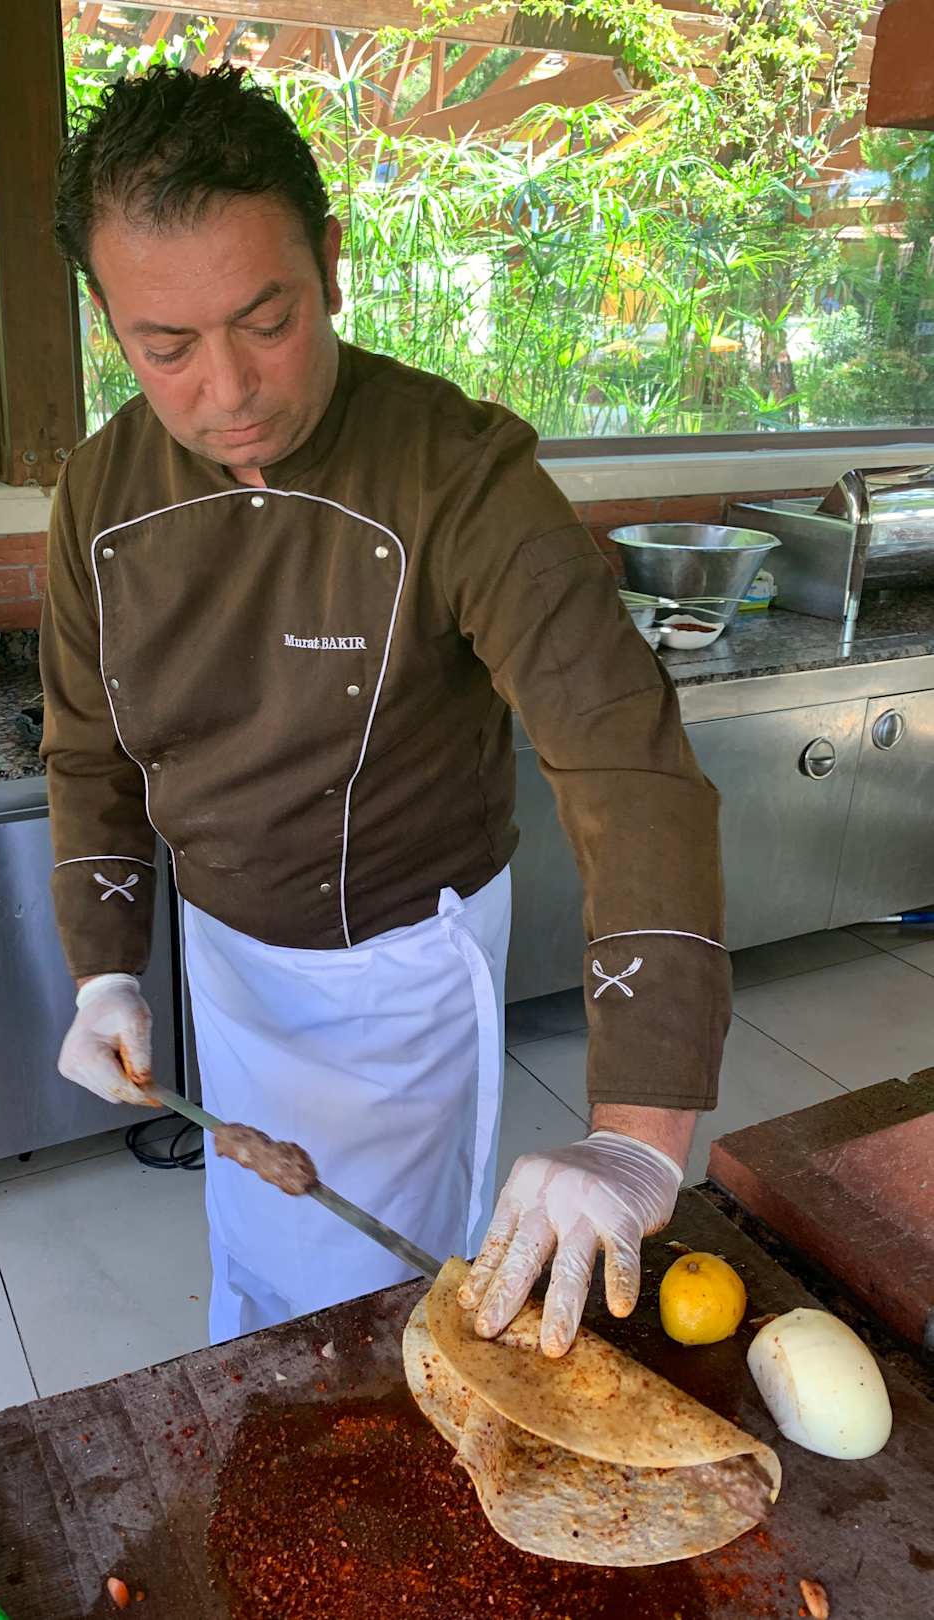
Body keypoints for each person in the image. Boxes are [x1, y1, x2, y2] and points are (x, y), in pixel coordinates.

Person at [42, 64, 731, 1354]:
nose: (229, 391)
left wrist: (638, 1134)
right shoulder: (100, 490)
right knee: (258, 1253)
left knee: (387, 1301)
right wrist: (105, 972)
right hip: (224, 960)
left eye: (267, 321)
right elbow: (90, 752)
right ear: (108, 321)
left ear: (331, 264)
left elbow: (623, 763)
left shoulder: (458, 473)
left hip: (398, 974)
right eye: (166, 348)